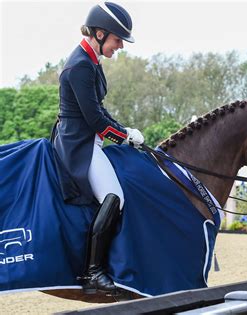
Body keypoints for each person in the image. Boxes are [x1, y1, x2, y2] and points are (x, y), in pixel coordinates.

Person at [50, 2, 144, 294]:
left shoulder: (91, 61)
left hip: (90, 138)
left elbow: (100, 110)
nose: (120, 47)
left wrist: (123, 129)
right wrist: (124, 135)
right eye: (118, 40)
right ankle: (92, 272)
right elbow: (94, 120)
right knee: (115, 196)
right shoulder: (79, 65)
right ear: (101, 33)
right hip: (79, 144)